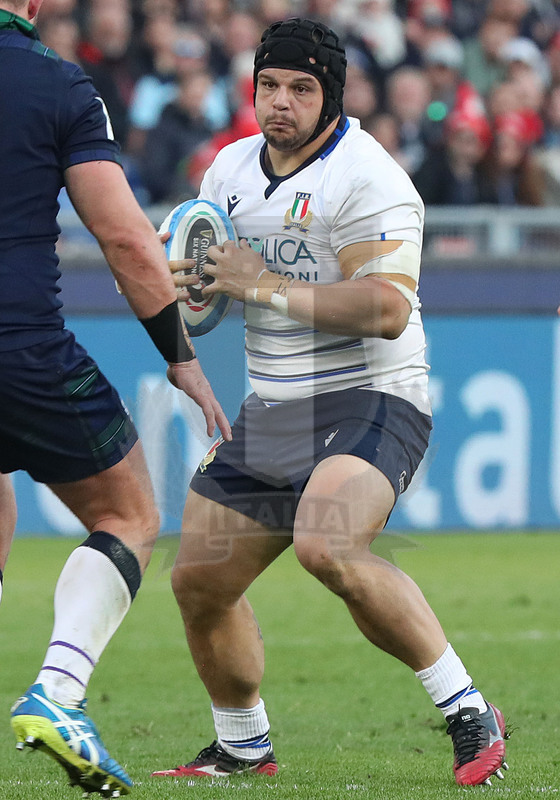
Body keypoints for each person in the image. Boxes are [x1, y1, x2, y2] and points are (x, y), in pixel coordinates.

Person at [151, 17, 508, 788]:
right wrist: (187, 284)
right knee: (198, 582)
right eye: (268, 85)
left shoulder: (369, 176)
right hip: (273, 407)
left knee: (328, 543)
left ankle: (467, 708)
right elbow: (205, 277)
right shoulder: (230, 170)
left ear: (332, 96)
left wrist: (262, 286)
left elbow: (384, 307)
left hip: (373, 396)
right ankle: (243, 744)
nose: (280, 102)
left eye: (301, 88)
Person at [0, 1, 230, 797]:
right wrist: (181, 358)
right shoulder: (58, 86)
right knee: (128, 513)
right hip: (18, 347)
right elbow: (129, 239)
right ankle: (59, 693)